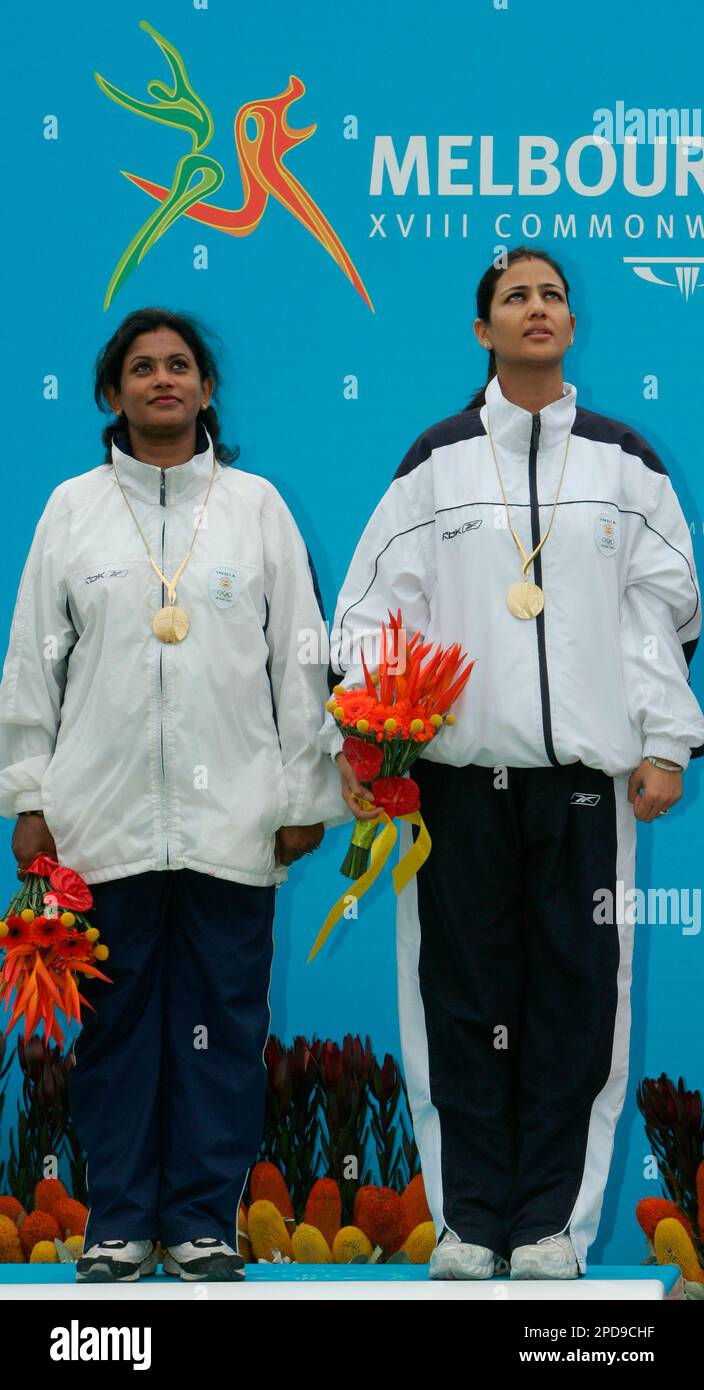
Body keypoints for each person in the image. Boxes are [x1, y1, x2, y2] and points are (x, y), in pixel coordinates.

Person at [321, 247, 704, 1280]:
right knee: (459, 1000)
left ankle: (547, 1227)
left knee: (578, 999)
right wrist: (368, 740)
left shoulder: (625, 462)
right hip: (454, 785)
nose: (536, 309)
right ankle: (464, 1222)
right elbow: (366, 616)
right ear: (480, 331)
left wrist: (662, 741)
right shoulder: (432, 462)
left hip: (583, 787)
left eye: (550, 296)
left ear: (571, 326)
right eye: (512, 298)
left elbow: (658, 614)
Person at [0, 307, 340, 1282]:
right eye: (142, 367)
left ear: (204, 389)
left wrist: (301, 793)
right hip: (98, 822)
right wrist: (28, 791)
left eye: (179, 365)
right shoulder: (70, 510)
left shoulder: (255, 506)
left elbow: (298, 661)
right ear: (112, 393)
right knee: (112, 1032)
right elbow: (33, 663)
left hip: (232, 821)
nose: (162, 380)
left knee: (221, 1031)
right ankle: (117, 1224)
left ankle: (199, 1222)